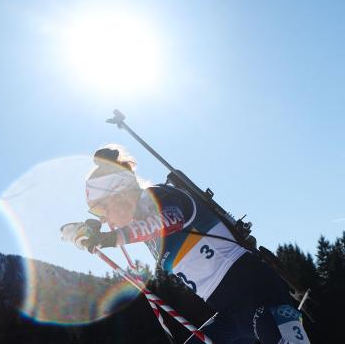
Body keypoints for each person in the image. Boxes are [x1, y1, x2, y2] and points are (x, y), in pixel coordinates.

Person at [61, 144, 310, 344]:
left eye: (101, 207)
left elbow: (167, 220)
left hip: (257, 291)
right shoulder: (140, 218)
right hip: (230, 311)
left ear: (122, 193)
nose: (103, 216)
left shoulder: (161, 197)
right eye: (95, 211)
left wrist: (106, 238)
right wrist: (89, 229)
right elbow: (136, 227)